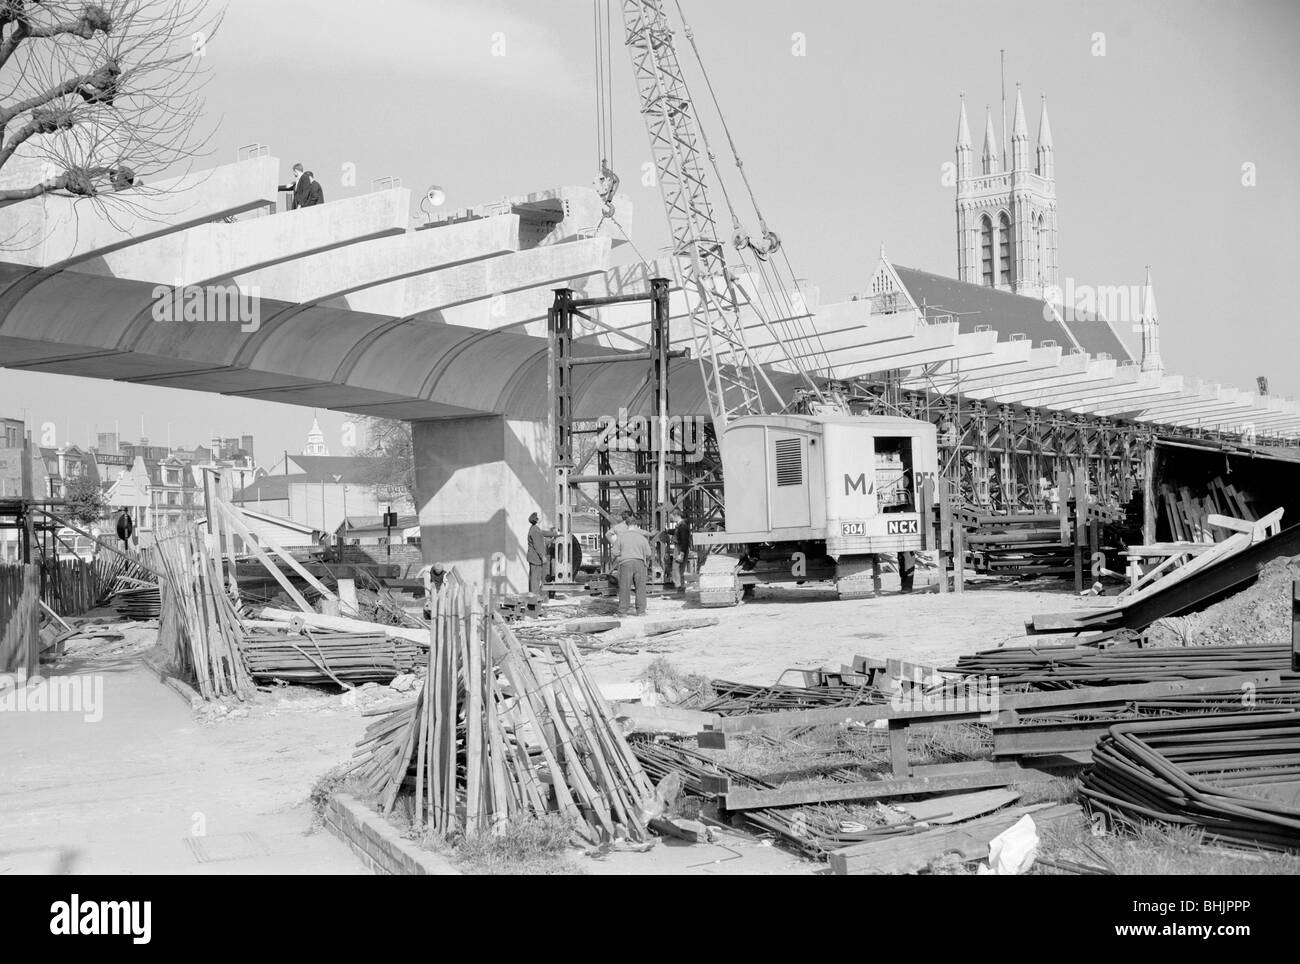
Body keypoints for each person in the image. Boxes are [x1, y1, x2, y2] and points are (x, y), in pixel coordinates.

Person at [612, 517, 651, 616]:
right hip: (640, 563)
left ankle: (622, 612)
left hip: (626, 563)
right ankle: (641, 611)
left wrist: (622, 553)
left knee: (624, 588)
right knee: (640, 588)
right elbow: (648, 553)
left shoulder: (621, 537)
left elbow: (615, 552)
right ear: (636, 525)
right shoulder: (642, 538)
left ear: (626, 525)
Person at [526, 512, 556, 597]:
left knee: (534, 577)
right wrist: (543, 556)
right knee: (535, 578)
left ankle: (534, 595)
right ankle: (534, 597)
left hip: (534, 558)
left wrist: (555, 534)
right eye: (539, 517)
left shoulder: (535, 528)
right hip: (536, 558)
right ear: (537, 520)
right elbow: (538, 545)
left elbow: (543, 533)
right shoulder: (535, 530)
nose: (541, 518)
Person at [670, 510, 691, 591]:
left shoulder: (682, 526)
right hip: (680, 548)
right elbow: (677, 533)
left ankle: (679, 587)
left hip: (680, 548)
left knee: (677, 568)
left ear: (677, 515)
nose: (671, 518)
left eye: (672, 516)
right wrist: (668, 531)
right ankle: (680, 586)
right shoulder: (681, 525)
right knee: (678, 568)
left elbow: (684, 540)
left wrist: (681, 553)